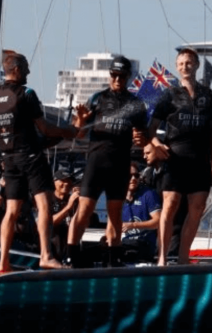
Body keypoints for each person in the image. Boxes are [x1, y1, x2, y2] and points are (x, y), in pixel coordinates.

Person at [0, 49, 78, 271]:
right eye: (26, 68)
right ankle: (45, 255)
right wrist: (68, 131)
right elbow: (44, 127)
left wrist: (6, 137)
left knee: (12, 211)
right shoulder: (27, 93)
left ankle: (3, 262)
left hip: (9, 159)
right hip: (31, 157)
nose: (29, 72)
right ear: (16, 69)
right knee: (44, 205)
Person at [66, 55, 149, 268]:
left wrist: (142, 139)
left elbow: (144, 137)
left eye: (122, 76)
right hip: (96, 162)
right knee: (84, 210)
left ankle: (114, 258)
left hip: (120, 165)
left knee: (114, 214)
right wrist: (82, 119)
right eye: (114, 75)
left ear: (128, 77)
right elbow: (79, 134)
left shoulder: (136, 104)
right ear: (109, 75)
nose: (117, 79)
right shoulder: (97, 98)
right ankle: (71, 256)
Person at [147, 48, 212, 266]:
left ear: (196, 65)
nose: (185, 67)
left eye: (189, 63)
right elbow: (151, 130)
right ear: (177, 67)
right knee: (170, 204)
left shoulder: (209, 95)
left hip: (200, 157)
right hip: (175, 155)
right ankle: (162, 257)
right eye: (181, 64)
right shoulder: (168, 94)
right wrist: (158, 145)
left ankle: (183, 256)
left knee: (197, 208)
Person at [121, 161, 161, 262]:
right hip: (126, 243)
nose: (133, 179)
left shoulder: (148, 194)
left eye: (136, 175)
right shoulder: (118, 199)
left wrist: (133, 225)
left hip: (146, 244)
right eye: (130, 176)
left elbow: (158, 221)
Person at [50, 169, 79, 260]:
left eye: (69, 181)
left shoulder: (74, 200)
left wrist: (81, 201)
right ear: (54, 181)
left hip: (69, 249)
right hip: (52, 249)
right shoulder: (47, 199)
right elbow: (49, 222)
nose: (66, 184)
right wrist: (68, 207)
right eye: (63, 180)